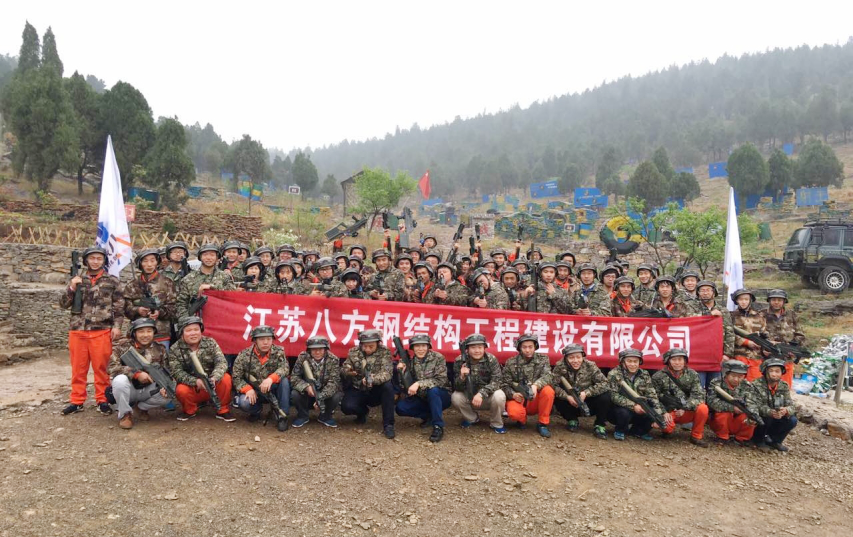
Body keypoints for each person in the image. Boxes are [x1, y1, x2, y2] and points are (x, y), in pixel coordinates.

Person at [59, 246, 125, 415]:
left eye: (99, 258)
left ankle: (102, 400)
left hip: (101, 330)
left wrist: (117, 326)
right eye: (92, 258)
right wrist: (72, 287)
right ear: (86, 260)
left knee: (101, 368)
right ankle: (77, 400)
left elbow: (119, 308)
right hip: (78, 330)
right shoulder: (77, 279)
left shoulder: (112, 281)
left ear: (104, 261)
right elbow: (63, 304)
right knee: (78, 369)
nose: (95, 261)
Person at [167, 316, 234, 422]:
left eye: (196, 329)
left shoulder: (210, 342)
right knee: (181, 389)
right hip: (193, 387)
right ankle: (189, 410)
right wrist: (195, 381)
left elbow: (221, 362)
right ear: (181, 333)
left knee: (226, 378)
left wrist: (214, 377)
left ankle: (222, 410)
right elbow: (177, 372)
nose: (193, 333)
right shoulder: (175, 349)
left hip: (213, 385)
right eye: (189, 330)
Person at [108, 318, 171, 429]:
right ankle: (125, 414)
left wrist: (164, 386)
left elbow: (166, 371)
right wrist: (136, 374)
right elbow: (111, 367)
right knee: (119, 380)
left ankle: (141, 408)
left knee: (170, 393)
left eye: (149, 331)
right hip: (129, 388)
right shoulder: (123, 346)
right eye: (141, 331)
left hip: (149, 388)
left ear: (154, 332)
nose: (145, 335)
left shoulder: (160, 349)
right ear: (134, 333)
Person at [231, 325, 290, 431]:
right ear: (255, 341)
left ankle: (282, 416)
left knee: (284, 381)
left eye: (269, 339)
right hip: (255, 391)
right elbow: (236, 377)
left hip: (273, 389)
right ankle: (256, 411)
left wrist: (271, 379)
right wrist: (247, 389)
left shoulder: (279, 352)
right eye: (262, 339)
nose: (266, 342)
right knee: (244, 402)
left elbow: (285, 368)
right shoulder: (244, 355)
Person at [395, 335, 452, 442]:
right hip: (422, 397)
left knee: (433, 391)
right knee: (401, 408)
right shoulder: (410, 362)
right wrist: (401, 373)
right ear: (412, 348)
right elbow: (405, 388)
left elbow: (441, 380)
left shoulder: (438, 357)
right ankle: (429, 416)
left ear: (428, 346)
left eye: (423, 346)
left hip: (441, 395)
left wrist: (419, 383)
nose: (420, 349)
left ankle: (438, 426)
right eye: (417, 346)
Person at [341, 330, 396, 439]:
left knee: (388, 387)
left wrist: (372, 379)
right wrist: (348, 371)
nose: (367, 349)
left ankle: (388, 425)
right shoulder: (354, 352)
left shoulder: (384, 352)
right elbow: (344, 368)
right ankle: (362, 413)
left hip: (376, 389)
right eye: (365, 346)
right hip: (358, 388)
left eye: (371, 346)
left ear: (378, 343)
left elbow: (387, 373)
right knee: (347, 407)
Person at [651, 348, 710, 447]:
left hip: (686, 411)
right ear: (668, 361)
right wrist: (663, 412)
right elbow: (653, 397)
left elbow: (699, 395)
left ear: (685, 361)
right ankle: (666, 431)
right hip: (668, 411)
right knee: (666, 427)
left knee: (703, 408)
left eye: (680, 359)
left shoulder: (692, 374)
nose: (677, 363)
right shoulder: (658, 376)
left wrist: (684, 408)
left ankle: (696, 436)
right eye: (674, 359)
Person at [607, 348, 669, 441]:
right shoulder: (614, 374)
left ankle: (637, 431)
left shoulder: (644, 374)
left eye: (635, 361)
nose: (633, 364)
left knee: (651, 410)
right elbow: (613, 395)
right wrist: (633, 406)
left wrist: (658, 416)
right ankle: (620, 430)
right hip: (618, 409)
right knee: (623, 413)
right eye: (629, 361)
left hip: (640, 407)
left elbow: (652, 395)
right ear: (622, 362)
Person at [500, 334, 555, 438]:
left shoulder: (543, 359)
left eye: (530, 347)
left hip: (535, 398)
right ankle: (521, 420)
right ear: (519, 348)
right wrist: (513, 394)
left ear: (535, 347)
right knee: (514, 413)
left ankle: (542, 423)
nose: (527, 350)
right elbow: (504, 384)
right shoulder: (511, 362)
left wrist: (536, 385)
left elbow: (548, 376)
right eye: (524, 347)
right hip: (519, 398)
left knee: (548, 391)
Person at [551, 344, 611, 439]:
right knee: (555, 396)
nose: (575, 361)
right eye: (571, 358)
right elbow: (553, 384)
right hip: (570, 401)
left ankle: (599, 425)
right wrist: (567, 396)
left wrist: (587, 393)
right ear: (566, 358)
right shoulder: (560, 366)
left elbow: (605, 383)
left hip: (588, 400)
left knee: (605, 396)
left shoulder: (590, 366)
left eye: (578, 357)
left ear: (583, 356)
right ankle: (572, 419)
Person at [451, 334, 507, 433]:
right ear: (467, 349)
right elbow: (457, 387)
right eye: (473, 347)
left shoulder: (491, 359)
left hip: (487, 397)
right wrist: (462, 377)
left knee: (499, 395)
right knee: (456, 397)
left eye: (480, 347)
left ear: (484, 348)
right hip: (470, 397)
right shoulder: (460, 361)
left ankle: (496, 423)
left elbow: (497, 380)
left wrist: (481, 393)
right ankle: (472, 418)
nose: (477, 351)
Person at [123, 248, 176, 348]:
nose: (149, 264)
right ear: (140, 264)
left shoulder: (167, 283)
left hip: (161, 334)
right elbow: (126, 309)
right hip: (137, 334)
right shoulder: (132, 285)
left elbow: (173, 309)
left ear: (157, 262)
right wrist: (138, 310)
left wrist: (159, 313)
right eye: (145, 261)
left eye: (152, 260)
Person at [747, 358, 798, 452]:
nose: (774, 374)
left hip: (776, 416)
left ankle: (775, 441)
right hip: (763, 418)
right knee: (765, 418)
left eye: (777, 371)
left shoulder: (784, 386)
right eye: (771, 371)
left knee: (792, 420)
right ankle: (758, 440)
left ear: (782, 372)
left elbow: (791, 405)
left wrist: (785, 411)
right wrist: (770, 412)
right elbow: (753, 405)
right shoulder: (756, 385)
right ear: (765, 372)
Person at [291, 337, 343, 428]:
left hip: (325, 392)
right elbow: (294, 378)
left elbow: (334, 382)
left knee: (337, 395)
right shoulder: (302, 358)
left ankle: (325, 416)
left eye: (320, 349)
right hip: (308, 393)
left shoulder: (333, 359)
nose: (317, 352)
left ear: (325, 349)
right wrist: (306, 387)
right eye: (314, 349)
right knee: (295, 394)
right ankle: (303, 416)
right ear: (309, 350)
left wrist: (320, 397)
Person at [176, 244, 235, 319]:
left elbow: (232, 295)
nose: (208, 258)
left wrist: (212, 287)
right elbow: (181, 303)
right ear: (200, 257)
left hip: (220, 319)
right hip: (195, 321)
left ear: (217, 258)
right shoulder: (188, 279)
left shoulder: (225, 277)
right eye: (205, 254)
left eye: (212, 255)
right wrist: (187, 321)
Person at [707, 359, 757, 446]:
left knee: (752, 416)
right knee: (723, 413)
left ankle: (742, 438)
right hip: (720, 419)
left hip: (739, 418)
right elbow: (711, 401)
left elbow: (753, 402)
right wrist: (732, 408)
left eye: (740, 376)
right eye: (733, 376)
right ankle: (722, 436)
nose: (736, 379)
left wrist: (747, 409)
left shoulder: (747, 386)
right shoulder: (716, 383)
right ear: (726, 374)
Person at [763, 289, 805, 388]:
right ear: (769, 301)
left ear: (784, 301)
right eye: (773, 300)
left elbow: (800, 335)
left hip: (787, 357)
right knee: (766, 386)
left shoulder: (791, 315)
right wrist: (764, 347)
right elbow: (758, 333)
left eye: (779, 300)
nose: (776, 302)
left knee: (785, 387)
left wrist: (792, 348)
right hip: (768, 358)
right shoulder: (762, 314)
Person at [730, 289, 767, 381]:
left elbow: (764, 333)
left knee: (754, 383)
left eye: (746, 299)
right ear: (736, 301)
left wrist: (764, 346)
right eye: (741, 299)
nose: (743, 302)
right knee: (737, 382)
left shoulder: (759, 317)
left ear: (750, 300)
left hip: (756, 356)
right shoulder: (731, 316)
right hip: (738, 355)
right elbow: (728, 334)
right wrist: (745, 342)